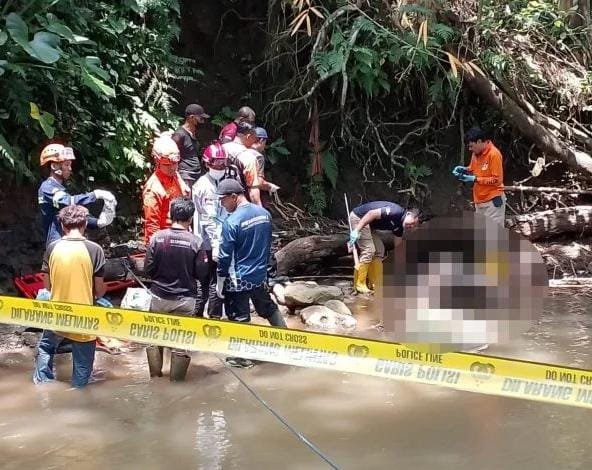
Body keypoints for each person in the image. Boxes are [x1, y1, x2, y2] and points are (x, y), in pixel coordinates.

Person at [215, 179, 287, 368]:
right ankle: (288, 343)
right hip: (259, 275)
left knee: (239, 317)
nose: (221, 204)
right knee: (268, 307)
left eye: (223, 200)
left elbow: (225, 256)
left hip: (238, 279)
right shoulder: (264, 214)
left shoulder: (231, 222)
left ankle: (240, 358)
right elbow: (267, 245)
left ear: (234, 197)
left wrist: (220, 280)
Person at [33, 205, 106, 388]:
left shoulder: (52, 247)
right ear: (85, 224)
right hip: (84, 318)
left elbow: (47, 286)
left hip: (57, 314)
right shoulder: (95, 250)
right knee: (82, 373)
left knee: (45, 347)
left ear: (62, 225)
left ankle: (44, 385)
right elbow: (99, 291)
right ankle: (77, 395)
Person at [143, 197, 203, 381]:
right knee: (180, 343)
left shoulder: (157, 238)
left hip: (159, 297)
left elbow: (148, 269)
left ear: (170, 215)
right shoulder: (196, 242)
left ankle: (155, 379)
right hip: (185, 299)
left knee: (154, 339)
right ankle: (176, 384)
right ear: (190, 219)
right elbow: (201, 273)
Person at [38, 143, 117, 246]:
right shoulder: (48, 187)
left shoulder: (60, 189)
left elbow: (71, 215)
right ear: (54, 166)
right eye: (66, 165)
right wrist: (96, 194)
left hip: (68, 243)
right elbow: (68, 202)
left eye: (70, 165)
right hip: (57, 244)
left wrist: (98, 222)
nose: (70, 169)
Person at [348, 202, 420, 294]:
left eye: (414, 225)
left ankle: (375, 283)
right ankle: (360, 284)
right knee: (369, 250)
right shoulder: (395, 211)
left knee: (379, 250)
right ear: (408, 214)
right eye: (412, 222)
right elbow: (371, 213)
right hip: (359, 218)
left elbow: (398, 244)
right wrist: (357, 230)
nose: (411, 226)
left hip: (369, 225)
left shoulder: (400, 227)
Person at [192, 142, 228, 319]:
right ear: (208, 163)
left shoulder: (221, 182)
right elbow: (209, 219)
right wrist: (216, 245)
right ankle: (206, 317)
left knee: (214, 281)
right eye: (217, 162)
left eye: (223, 162)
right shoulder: (205, 186)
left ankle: (210, 316)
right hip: (207, 243)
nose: (220, 166)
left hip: (218, 240)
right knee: (208, 282)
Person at [142, 133, 190, 245]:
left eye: (175, 163)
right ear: (157, 162)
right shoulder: (153, 189)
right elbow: (152, 224)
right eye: (167, 165)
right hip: (166, 241)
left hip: (182, 233)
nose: (172, 168)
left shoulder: (175, 176)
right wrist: (155, 248)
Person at [452, 127, 506, 226]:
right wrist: (465, 169)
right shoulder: (475, 153)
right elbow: (473, 168)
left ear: (479, 141)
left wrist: (475, 179)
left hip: (493, 203)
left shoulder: (494, 154)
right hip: (479, 201)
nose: (470, 149)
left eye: (471, 146)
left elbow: (497, 180)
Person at [222, 122, 262, 205]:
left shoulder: (221, 148)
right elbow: (253, 189)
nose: (254, 142)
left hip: (220, 197)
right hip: (239, 202)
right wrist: (259, 209)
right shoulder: (248, 157)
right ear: (248, 136)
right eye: (255, 139)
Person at [172, 103, 210, 187]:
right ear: (192, 117)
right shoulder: (179, 135)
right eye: (201, 119)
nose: (203, 122)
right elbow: (171, 155)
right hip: (186, 176)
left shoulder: (194, 133)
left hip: (197, 174)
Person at [251, 127, 280, 198]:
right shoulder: (258, 157)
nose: (264, 146)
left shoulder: (241, 151)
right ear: (261, 140)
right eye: (265, 142)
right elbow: (259, 182)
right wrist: (270, 187)